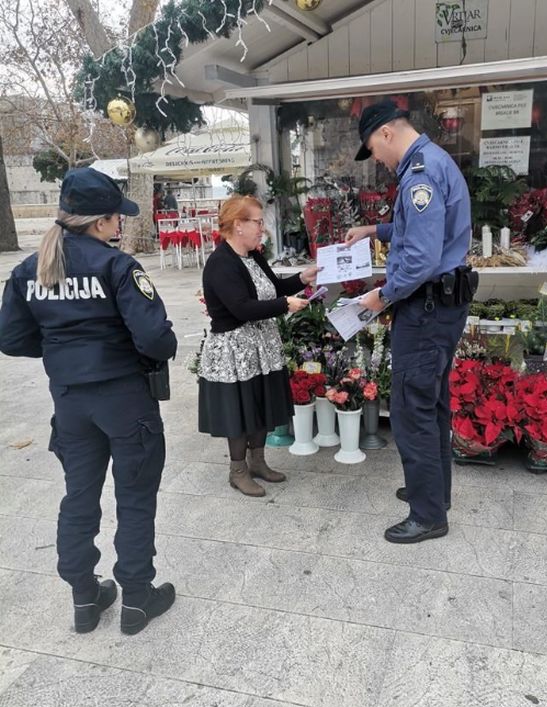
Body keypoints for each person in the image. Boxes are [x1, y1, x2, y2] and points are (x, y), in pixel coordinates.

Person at [0, 168, 178, 635]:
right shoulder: (117, 266)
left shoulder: (29, 269)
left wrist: (65, 350)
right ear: (100, 222)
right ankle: (137, 598)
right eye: (117, 217)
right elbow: (157, 340)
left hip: (71, 405)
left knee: (79, 497)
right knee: (135, 499)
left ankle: (85, 596)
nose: (121, 225)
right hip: (124, 400)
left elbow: (12, 338)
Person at [345, 100, 476, 545]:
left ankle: (427, 515)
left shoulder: (418, 173)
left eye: (373, 150)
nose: (377, 161)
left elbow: (420, 257)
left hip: (424, 311)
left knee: (411, 410)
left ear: (385, 134)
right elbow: (423, 231)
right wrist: (374, 231)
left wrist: (380, 297)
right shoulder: (433, 162)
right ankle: (433, 493)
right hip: (441, 308)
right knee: (432, 403)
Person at [198, 195, 318, 497]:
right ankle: (237, 470)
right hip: (234, 350)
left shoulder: (252, 255)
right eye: (258, 222)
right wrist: (284, 305)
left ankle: (258, 462)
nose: (262, 229)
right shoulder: (221, 263)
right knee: (241, 410)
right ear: (238, 225)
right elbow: (243, 308)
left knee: (260, 402)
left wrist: (303, 277)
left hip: (260, 345)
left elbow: (273, 288)